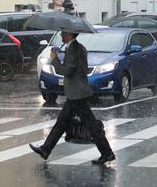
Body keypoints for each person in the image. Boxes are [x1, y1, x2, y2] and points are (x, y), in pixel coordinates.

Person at [29, 31, 115, 165]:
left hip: (76, 93)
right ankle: (46, 149)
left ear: (69, 34)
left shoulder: (72, 49)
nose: (62, 35)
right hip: (78, 91)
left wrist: (55, 59)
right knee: (63, 122)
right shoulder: (80, 48)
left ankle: (107, 152)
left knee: (90, 124)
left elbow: (67, 70)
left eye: (63, 33)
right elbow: (82, 68)